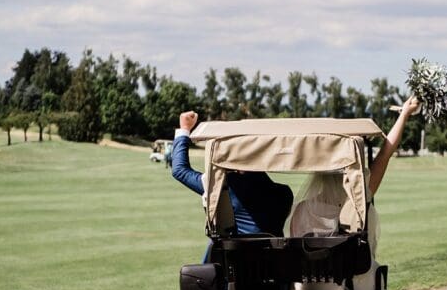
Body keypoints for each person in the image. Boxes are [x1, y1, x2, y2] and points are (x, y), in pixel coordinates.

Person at [289, 95, 420, 239]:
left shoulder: (302, 209)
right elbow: (385, 153)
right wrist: (404, 114)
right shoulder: (358, 204)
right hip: (351, 262)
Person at [172, 111, 293, 236]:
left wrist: (184, 129)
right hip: (273, 255)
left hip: (236, 253)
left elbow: (179, 171)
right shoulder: (285, 193)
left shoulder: (225, 186)